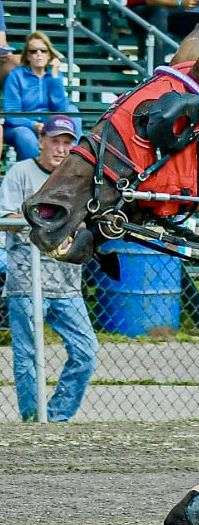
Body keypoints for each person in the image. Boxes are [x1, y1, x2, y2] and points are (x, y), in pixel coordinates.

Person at [0, 116, 97, 423]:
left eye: (68, 142)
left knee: (86, 352)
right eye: (55, 141)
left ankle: (56, 417)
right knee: (27, 355)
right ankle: (33, 419)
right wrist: (52, 222)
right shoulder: (21, 172)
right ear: (41, 141)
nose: (61, 148)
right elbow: (6, 218)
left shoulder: (79, 177)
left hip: (67, 283)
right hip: (27, 281)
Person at [3, 32, 79, 162]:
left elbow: (61, 108)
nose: (39, 54)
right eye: (33, 51)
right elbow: (11, 114)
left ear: (49, 54)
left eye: (43, 51)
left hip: (50, 125)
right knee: (25, 136)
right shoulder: (16, 76)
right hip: (22, 126)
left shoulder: (54, 75)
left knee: (72, 110)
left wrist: (55, 77)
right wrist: (33, 125)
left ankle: (73, 160)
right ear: (27, 55)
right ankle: (35, 173)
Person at [126, 0, 199, 44]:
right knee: (160, 12)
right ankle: (157, 67)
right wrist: (180, 2)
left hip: (174, 14)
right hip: (142, 13)